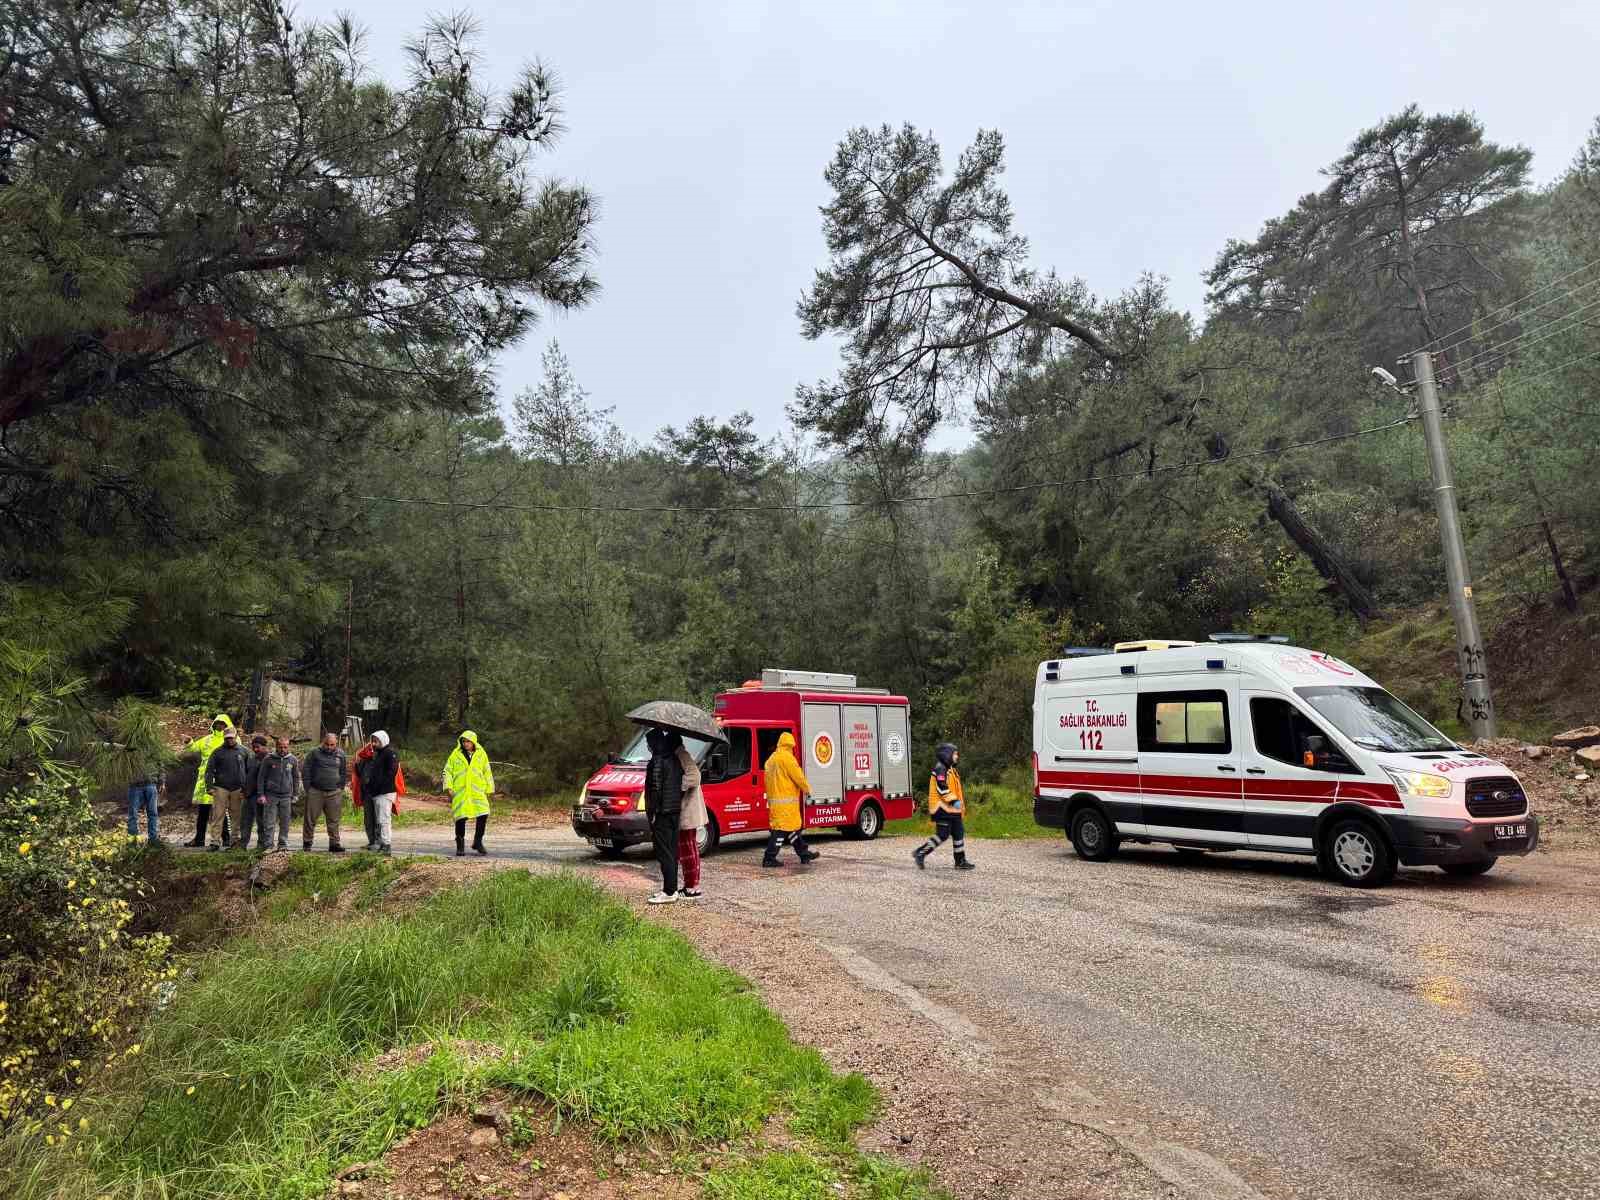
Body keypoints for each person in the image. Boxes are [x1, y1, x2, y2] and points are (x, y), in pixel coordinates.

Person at [913, 742, 974, 871]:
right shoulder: (940, 768)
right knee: (942, 835)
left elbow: (956, 790)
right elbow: (942, 788)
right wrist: (954, 801)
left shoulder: (951, 770)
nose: (957, 756)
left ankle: (960, 861)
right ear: (947, 754)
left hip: (952, 809)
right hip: (942, 808)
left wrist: (960, 806)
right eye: (955, 754)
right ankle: (920, 853)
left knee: (958, 833)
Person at [762, 731, 819, 868]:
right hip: (787, 803)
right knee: (780, 831)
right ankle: (769, 858)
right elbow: (798, 776)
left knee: (791, 830)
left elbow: (767, 780)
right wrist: (807, 789)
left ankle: (804, 854)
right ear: (790, 745)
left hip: (776, 802)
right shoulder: (788, 758)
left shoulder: (771, 759)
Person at [643, 728, 684, 904]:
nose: (648, 746)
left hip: (662, 814)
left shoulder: (657, 761)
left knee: (664, 853)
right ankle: (671, 888)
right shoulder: (674, 758)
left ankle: (669, 891)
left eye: (649, 743)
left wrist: (652, 813)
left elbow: (656, 789)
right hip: (675, 811)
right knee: (672, 852)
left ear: (654, 743)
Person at [183, 714, 235, 848]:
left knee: (221, 811)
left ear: (228, 725)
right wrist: (189, 741)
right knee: (203, 812)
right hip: (205, 783)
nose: (220, 726)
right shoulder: (207, 739)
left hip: (222, 781)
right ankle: (199, 839)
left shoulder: (232, 739)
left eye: (223, 724)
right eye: (218, 723)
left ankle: (226, 838)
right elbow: (194, 748)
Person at [443, 730, 493, 857]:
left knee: (483, 814)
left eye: (468, 741)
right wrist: (448, 786)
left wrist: (489, 788)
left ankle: (478, 841)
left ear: (474, 742)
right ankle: (460, 844)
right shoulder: (455, 755)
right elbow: (447, 771)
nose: (466, 744)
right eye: (464, 741)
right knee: (461, 818)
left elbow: (487, 771)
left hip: (477, 791)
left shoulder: (481, 754)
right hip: (461, 791)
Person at [202, 727, 251, 852]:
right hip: (221, 787)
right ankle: (215, 842)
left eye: (231, 738)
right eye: (227, 738)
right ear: (224, 738)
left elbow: (249, 771)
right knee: (217, 815)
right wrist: (209, 787)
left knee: (236, 816)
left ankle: (235, 841)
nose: (229, 740)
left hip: (238, 788)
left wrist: (246, 789)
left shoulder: (244, 751)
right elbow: (209, 770)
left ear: (236, 737)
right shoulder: (217, 752)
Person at [255, 734, 304, 853]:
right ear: (276, 747)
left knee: (285, 822)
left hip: (286, 796)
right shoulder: (268, 759)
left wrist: (295, 794)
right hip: (271, 795)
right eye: (280, 747)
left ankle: (283, 844)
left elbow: (296, 777)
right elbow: (261, 777)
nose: (283, 749)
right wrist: (261, 794)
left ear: (288, 747)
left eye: (285, 747)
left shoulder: (292, 760)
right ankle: (268, 845)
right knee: (269, 822)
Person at [302, 732, 348, 853]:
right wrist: (308, 788)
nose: (329, 747)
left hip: (334, 792)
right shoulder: (314, 753)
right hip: (315, 791)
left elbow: (343, 771)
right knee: (310, 819)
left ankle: (334, 843)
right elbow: (306, 769)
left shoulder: (341, 754)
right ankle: (307, 843)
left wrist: (340, 787)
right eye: (327, 744)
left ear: (336, 744)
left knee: (334, 819)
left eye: (332, 745)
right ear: (323, 742)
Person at [674, 733, 706, 901]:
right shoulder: (682, 753)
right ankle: (693, 886)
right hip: (690, 810)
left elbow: (694, 776)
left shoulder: (681, 754)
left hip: (688, 810)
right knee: (691, 847)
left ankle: (691, 887)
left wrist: (678, 789)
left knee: (687, 849)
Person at [359, 730, 401, 856]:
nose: (373, 743)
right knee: (380, 820)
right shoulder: (378, 754)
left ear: (383, 740)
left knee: (384, 820)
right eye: (372, 741)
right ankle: (382, 844)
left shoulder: (390, 753)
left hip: (385, 792)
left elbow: (391, 772)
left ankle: (386, 845)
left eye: (376, 741)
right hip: (377, 793)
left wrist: (379, 785)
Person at [126, 746, 165, 845]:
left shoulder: (152, 747)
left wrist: (162, 782)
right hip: (135, 785)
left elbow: (160, 765)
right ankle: (133, 839)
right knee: (133, 813)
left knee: (152, 813)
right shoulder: (129, 747)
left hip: (150, 784)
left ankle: (153, 839)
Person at [238, 734, 270, 850]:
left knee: (261, 822)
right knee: (245, 821)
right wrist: (244, 790)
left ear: (264, 747)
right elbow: (247, 775)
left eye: (258, 747)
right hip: (249, 794)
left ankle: (261, 845)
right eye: (253, 747)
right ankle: (242, 844)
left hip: (261, 796)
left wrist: (263, 794)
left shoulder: (269, 759)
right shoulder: (251, 759)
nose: (255, 749)